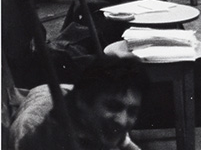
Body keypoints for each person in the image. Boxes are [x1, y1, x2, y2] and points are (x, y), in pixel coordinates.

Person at [13, 56, 148, 150]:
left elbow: (124, 141)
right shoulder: (53, 140)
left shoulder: (98, 125)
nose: (122, 120)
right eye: (113, 107)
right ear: (82, 101)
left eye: (132, 112)